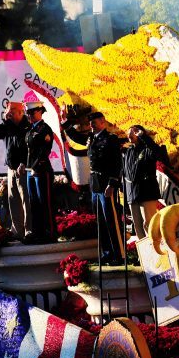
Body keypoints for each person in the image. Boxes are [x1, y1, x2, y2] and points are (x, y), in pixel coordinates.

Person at [62, 110, 123, 264]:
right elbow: (76, 137)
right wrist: (65, 122)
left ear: (102, 122)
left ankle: (118, 254)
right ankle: (107, 252)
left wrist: (112, 183)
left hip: (106, 182)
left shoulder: (111, 139)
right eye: (90, 124)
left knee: (110, 220)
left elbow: (117, 163)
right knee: (100, 220)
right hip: (95, 183)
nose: (91, 126)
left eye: (94, 123)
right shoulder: (91, 138)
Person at [0, 101, 30, 239]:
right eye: (7, 112)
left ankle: (28, 230)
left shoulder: (27, 127)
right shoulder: (8, 127)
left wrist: (24, 163)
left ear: (21, 113)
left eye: (12, 112)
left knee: (26, 200)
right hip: (11, 169)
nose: (8, 115)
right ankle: (17, 230)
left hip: (23, 169)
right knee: (13, 201)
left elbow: (31, 149)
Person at [19, 101, 54, 243]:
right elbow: (27, 151)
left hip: (41, 169)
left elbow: (44, 151)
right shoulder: (30, 130)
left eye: (32, 113)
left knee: (44, 202)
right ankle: (37, 232)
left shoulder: (45, 129)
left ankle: (49, 233)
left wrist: (34, 167)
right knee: (33, 203)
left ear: (40, 111)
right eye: (28, 113)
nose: (30, 115)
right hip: (30, 171)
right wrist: (23, 164)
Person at [123, 125, 165, 239]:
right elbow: (126, 173)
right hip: (132, 192)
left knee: (149, 223)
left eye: (133, 132)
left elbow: (159, 154)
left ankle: (158, 248)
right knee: (137, 226)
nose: (130, 134)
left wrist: (145, 138)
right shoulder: (128, 151)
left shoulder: (147, 148)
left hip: (147, 191)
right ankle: (146, 253)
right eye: (128, 132)